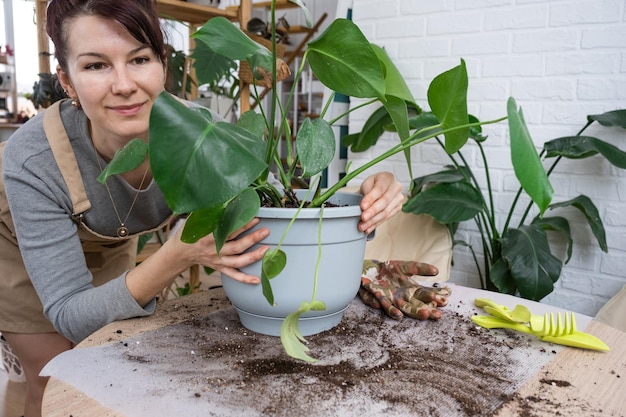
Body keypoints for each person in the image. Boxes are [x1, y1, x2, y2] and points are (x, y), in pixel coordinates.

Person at [0, 1, 406, 415]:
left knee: (104, 365)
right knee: (53, 376)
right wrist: (176, 255)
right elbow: (70, 313)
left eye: (139, 59)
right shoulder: (32, 159)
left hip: (111, 240)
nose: (123, 85)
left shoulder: (199, 131)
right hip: (18, 252)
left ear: (163, 64)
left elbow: (275, 207)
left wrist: (361, 202)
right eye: (96, 66)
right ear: (66, 81)